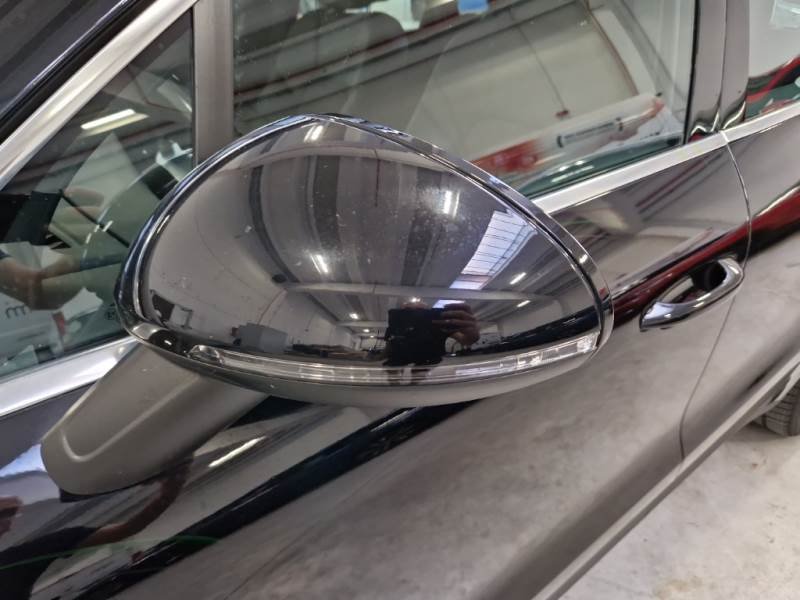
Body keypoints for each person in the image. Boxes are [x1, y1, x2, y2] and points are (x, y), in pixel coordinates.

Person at [0, 466, 188, 599]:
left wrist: (168, 494)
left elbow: (125, 530)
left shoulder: (20, 559)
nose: (8, 523)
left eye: (6, 517)